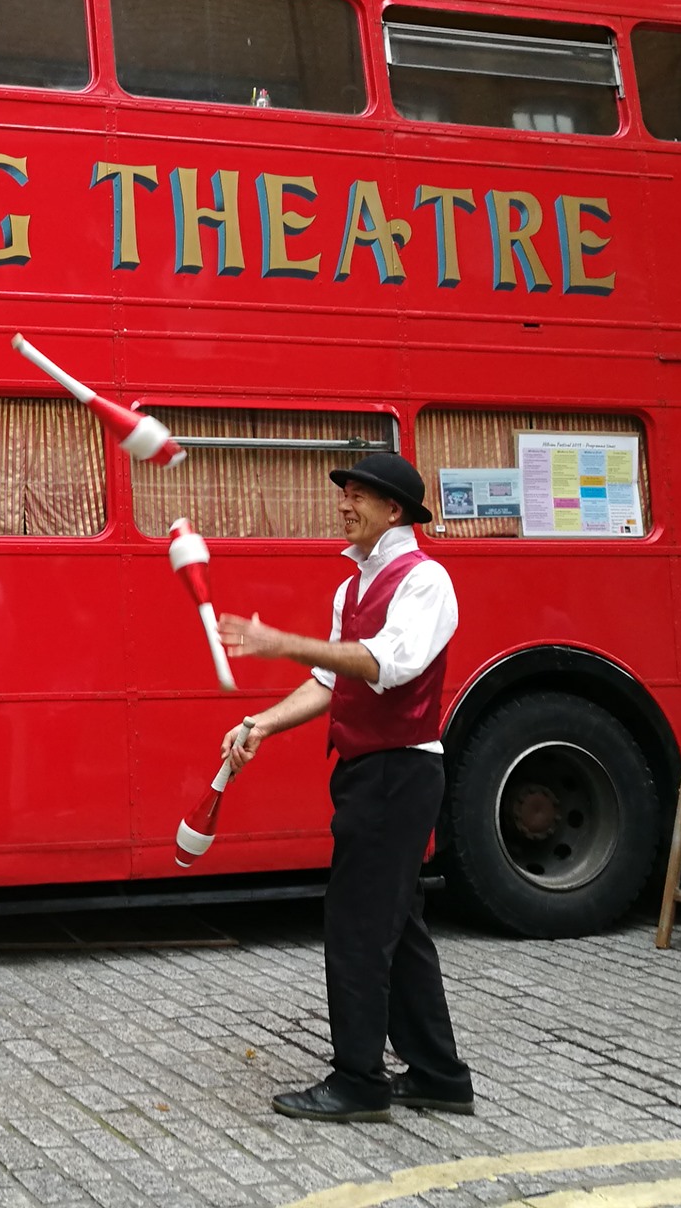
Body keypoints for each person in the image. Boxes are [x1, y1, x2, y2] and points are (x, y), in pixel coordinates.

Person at [215, 452, 473, 1123]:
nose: (343, 504)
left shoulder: (426, 581)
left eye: (358, 495)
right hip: (370, 773)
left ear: (395, 511)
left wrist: (283, 642)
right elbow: (333, 684)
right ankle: (440, 1075)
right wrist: (262, 723)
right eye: (345, 493)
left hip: (400, 771)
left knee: (358, 929)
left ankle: (359, 1081)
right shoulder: (352, 588)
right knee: (399, 925)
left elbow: (386, 666)